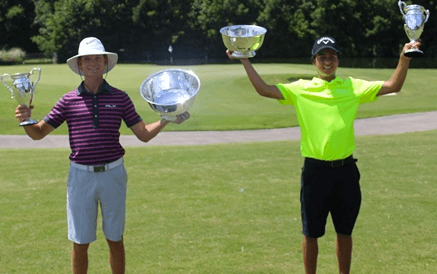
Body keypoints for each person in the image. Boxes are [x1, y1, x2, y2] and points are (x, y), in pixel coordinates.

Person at [226, 36, 420, 274]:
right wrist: (244, 60)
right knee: (311, 232)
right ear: (314, 61)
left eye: (332, 56)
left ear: (338, 60)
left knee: (345, 231)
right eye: (322, 56)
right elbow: (264, 90)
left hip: (346, 172)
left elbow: (393, 86)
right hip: (315, 172)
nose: (327, 61)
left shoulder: (353, 86)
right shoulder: (301, 89)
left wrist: (404, 57)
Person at [15, 37, 190, 274]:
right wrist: (26, 119)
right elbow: (38, 134)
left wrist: (166, 119)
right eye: (87, 59)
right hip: (80, 176)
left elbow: (143, 134)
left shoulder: (120, 98)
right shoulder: (68, 100)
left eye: (97, 58)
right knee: (80, 242)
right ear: (79, 65)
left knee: (115, 238)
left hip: (113, 174)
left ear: (105, 63)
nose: (92, 63)